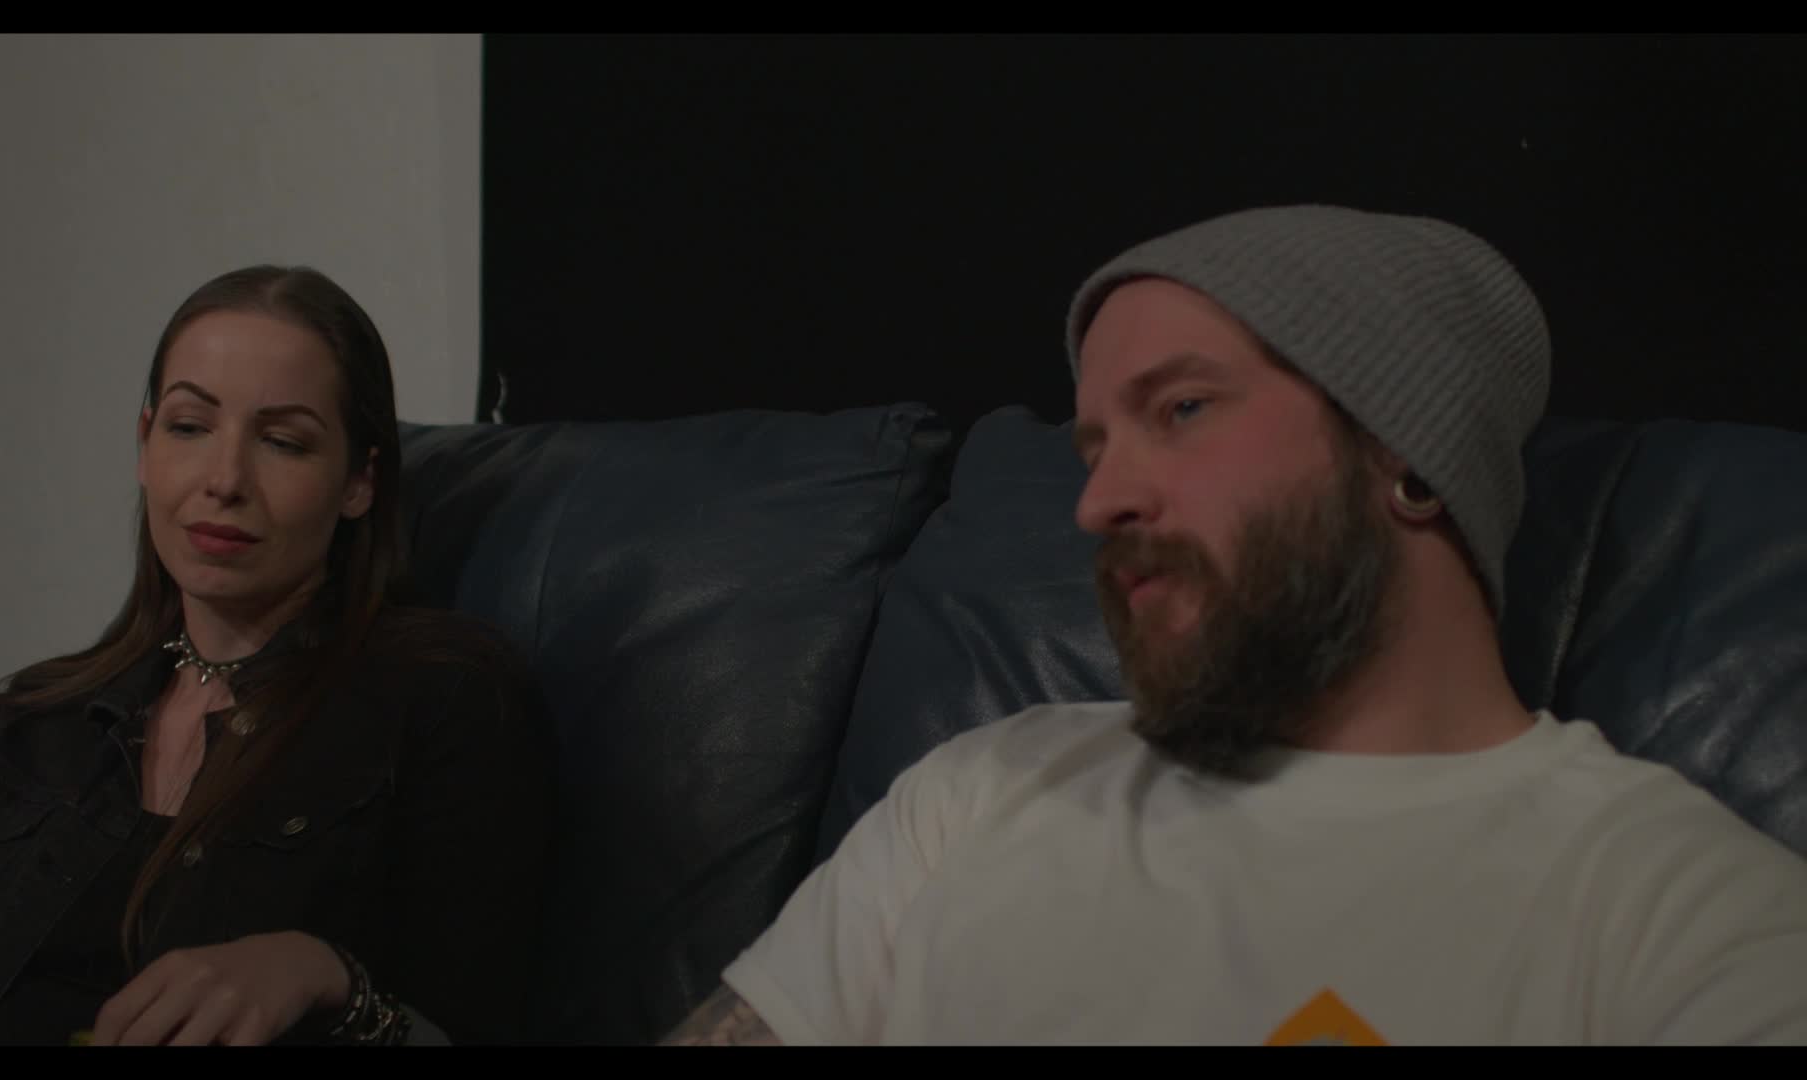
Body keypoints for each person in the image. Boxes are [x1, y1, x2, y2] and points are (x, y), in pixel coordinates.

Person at [665, 205, 1807, 1045]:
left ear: (1407, 454)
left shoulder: (1675, 917)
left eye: (1182, 408)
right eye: (1095, 446)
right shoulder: (980, 792)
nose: (1097, 501)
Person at [0, 266, 555, 1046]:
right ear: (145, 446)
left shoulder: (445, 698)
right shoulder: (39, 713)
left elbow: (478, 1025)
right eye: (189, 427)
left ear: (359, 482)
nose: (225, 479)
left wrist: (326, 976)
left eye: (282, 442)